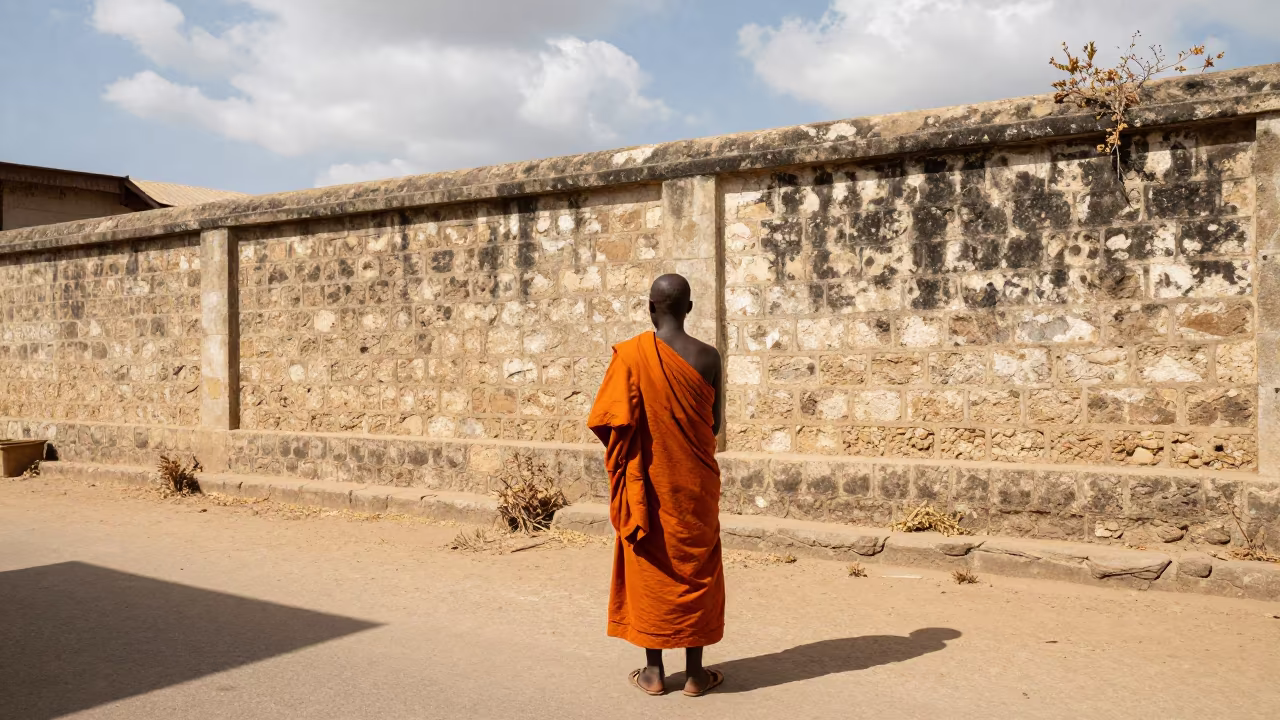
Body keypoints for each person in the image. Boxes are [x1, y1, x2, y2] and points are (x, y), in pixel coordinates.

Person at [587, 273, 727, 697]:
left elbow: (608, 422)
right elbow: (714, 424)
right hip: (694, 485)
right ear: (689, 308)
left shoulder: (631, 356)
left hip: (648, 484)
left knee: (650, 564)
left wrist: (634, 457)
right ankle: (696, 675)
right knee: (696, 567)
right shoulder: (709, 357)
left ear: (651, 307)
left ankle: (652, 672)